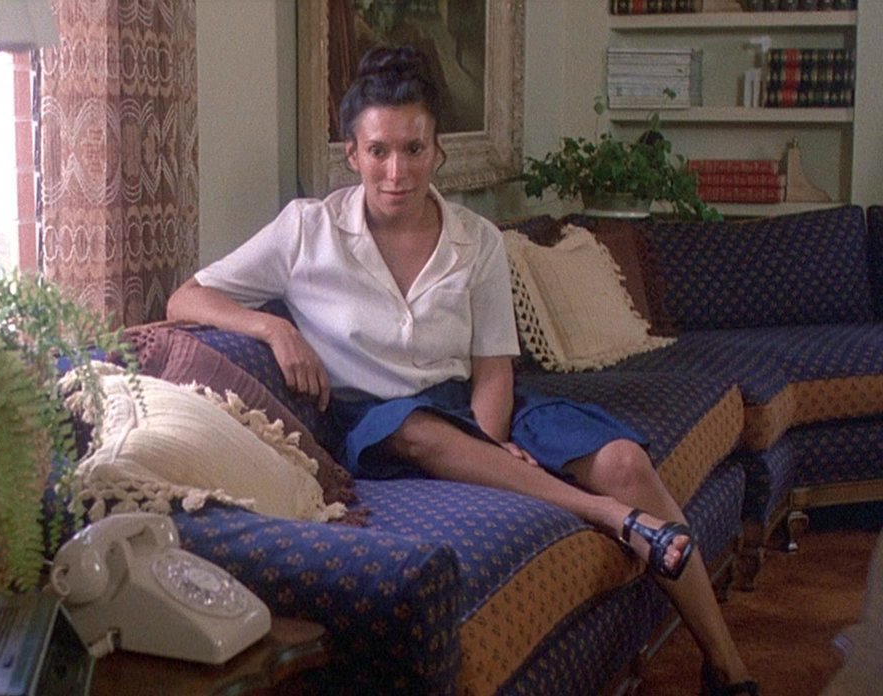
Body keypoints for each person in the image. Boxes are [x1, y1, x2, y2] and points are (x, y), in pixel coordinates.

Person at [167, 45, 757, 696]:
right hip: (379, 422)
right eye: (379, 151)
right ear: (352, 154)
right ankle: (615, 518)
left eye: (414, 149)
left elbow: (492, 367)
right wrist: (273, 328)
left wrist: (490, 438)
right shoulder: (306, 230)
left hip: (474, 403)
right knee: (417, 429)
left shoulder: (476, 241)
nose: (397, 171)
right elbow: (185, 298)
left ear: (438, 152)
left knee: (625, 462)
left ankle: (728, 669)